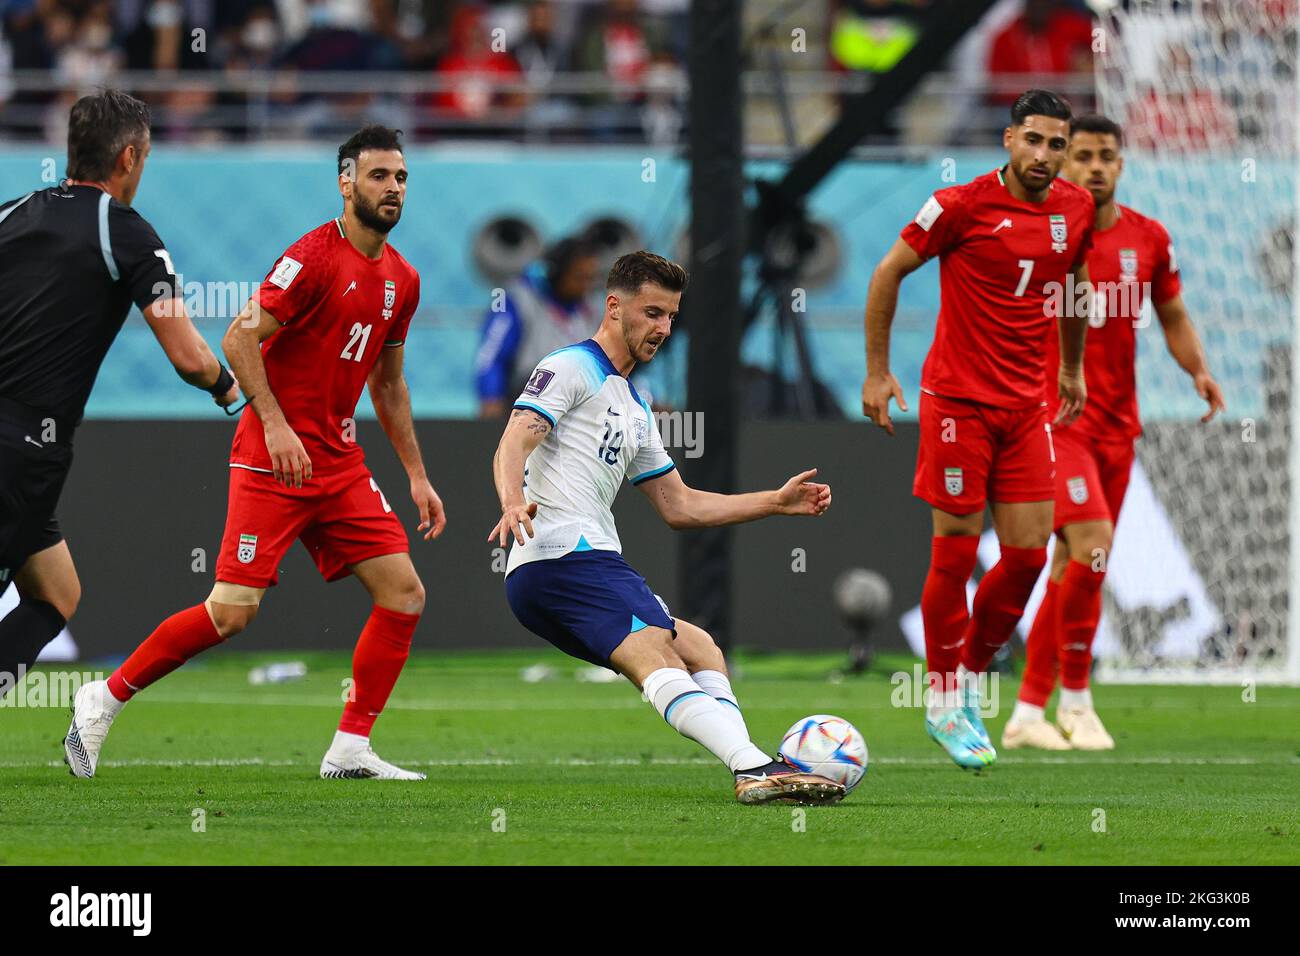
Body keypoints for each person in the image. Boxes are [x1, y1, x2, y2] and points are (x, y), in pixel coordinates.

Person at [63, 125, 447, 780]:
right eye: (379, 176)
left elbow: (388, 384)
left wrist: (416, 475)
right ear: (346, 182)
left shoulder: (401, 281)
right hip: (273, 458)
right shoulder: (313, 258)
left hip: (339, 461)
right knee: (232, 613)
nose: (393, 189)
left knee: (404, 593)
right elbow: (241, 338)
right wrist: (273, 423)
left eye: (402, 177)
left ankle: (351, 747)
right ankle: (103, 697)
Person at [490, 250, 844, 805]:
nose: (664, 328)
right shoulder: (570, 367)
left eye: (672, 316)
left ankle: (750, 763)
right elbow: (515, 438)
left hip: (574, 564)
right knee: (655, 648)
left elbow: (679, 506)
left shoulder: (635, 402)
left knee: (700, 648)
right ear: (613, 307)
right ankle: (753, 767)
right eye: (653, 313)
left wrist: (774, 503)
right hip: (564, 554)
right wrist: (513, 501)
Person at [861, 89, 1094, 769]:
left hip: (1026, 410)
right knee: (957, 548)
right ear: (1008, 138)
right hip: (958, 401)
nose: (1045, 155)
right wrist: (878, 373)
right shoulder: (959, 206)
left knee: (1024, 558)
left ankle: (963, 676)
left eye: (1058, 144)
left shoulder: (1075, 209)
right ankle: (943, 699)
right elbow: (888, 272)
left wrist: (1071, 369)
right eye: (1034, 140)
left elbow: (1075, 288)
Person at [0, 89, 238, 698]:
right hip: (22, 447)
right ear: (130, 157)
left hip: (24, 446)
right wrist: (235, 392)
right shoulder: (124, 232)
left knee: (56, 592)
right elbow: (189, 357)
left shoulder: (11, 212)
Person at [1004, 113, 1225, 751]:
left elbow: (1173, 314)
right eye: (1083, 156)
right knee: (1092, 548)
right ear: (1063, 164)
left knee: (1074, 565)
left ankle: (1026, 714)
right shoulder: (1040, 238)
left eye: (1107, 156)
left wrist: (1199, 372)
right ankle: (1075, 699)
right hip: (1055, 422)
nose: (1095, 167)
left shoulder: (1149, 239)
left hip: (1118, 427)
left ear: (1121, 165)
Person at [475, 236, 601, 418]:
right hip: (529, 398)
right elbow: (491, 355)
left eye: (591, 278)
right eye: (579, 277)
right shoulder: (515, 298)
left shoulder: (594, 305)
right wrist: (491, 396)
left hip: (581, 401)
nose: (586, 286)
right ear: (556, 273)